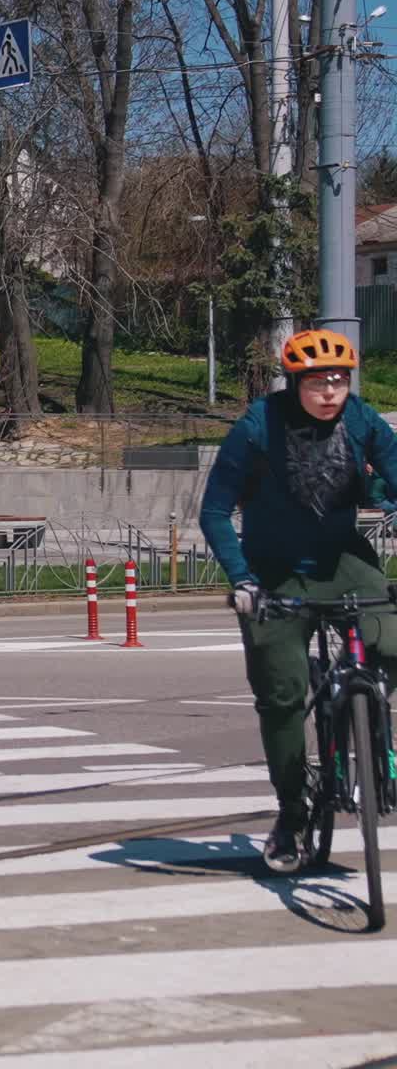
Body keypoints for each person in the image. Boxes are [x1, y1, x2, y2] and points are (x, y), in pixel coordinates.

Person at [200, 327, 397, 873]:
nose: (330, 391)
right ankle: (292, 811)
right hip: (274, 575)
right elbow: (214, 512)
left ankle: (362, 705)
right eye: (317, 381)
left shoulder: (362, 420)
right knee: (281, 697)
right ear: (295, 382)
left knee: (395, 642)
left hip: (345, 563)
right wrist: (242, 580)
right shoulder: (258, 427)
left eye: (338, 379)